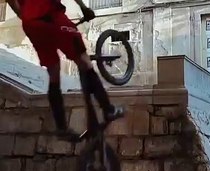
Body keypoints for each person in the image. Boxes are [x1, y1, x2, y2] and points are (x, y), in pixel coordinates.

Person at [6, 0, 124, 142]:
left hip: (31, 23)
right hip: (50, 13)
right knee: (84, 61)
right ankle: (108, 110)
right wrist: (84, 8)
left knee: (53, 72)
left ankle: (61, 127)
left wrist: (27, 15)